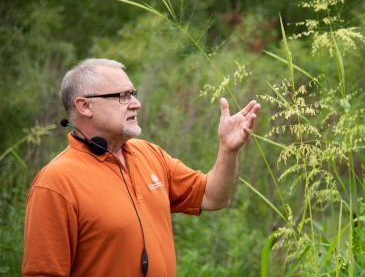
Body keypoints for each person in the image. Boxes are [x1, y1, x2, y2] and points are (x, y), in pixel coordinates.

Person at [22, 58, 261, 277]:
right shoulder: (55, 182)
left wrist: (228, 150)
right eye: (123, 96)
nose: (136, 103)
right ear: (84, 106)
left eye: (133, 94)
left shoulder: (149, 154)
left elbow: (212, 197)